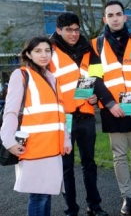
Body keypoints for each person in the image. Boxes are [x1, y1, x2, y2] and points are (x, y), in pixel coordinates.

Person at [89, 0, 131, 216]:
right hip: (112, 110)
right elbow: (95, 78)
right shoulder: (96, 45)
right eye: (110, 15)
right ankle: (127, 196)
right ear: (104, 19)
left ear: (125, 17)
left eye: (119, 14)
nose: (115, 18)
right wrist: (109, 104)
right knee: (119, 156)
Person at [0, 36, 71, 216]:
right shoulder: (21, 75)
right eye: (38, 51)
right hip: (34, 147)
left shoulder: (53, 79)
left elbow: (59, 113)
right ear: (28, 54)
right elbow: (11, 112)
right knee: (39, 196)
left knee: (45, 194)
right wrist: (8, 140)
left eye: (47, 51)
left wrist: (66, 139)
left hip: (53, 148)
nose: (44, 55)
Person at [49, 12, 108, 216]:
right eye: (69, 30)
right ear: (58, 30)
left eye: (76, 29)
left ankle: (95, 205)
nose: (74, 34)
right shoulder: (49, 51)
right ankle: (71, 209)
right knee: (66, 167)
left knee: (89, 163)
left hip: (86, 115)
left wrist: (96, 97)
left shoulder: (89, 50)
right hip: (63, 118)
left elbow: (97, 78)